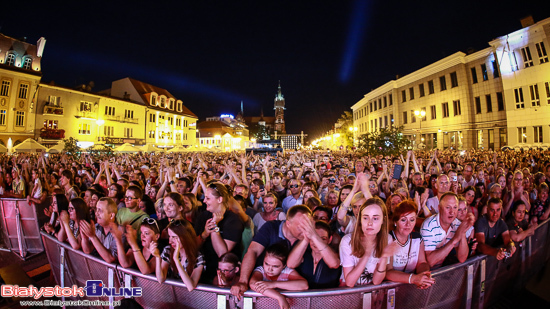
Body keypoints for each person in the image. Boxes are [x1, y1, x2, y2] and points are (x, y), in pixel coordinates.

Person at [231, 205, 312, 300]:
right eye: (301, 228)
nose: (305, 231)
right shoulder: (271, 227)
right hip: (264, 293)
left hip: (296, 293)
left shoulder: (309, 235)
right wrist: (243, 281)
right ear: (288, 223)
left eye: (308, 226)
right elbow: (253, 251)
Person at [195, 182, 244, 283]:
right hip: (201, 271)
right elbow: (193, 247)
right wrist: (204, 234)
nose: (204, 201)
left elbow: (222, 254)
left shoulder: (234, 220)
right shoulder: (203, 216)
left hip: (223, 276)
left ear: (220, 199)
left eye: (208, 198)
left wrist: (214, 225)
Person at [339, 197, 395, 287]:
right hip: (351, 294)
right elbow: (350, 282)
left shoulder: (387, 239)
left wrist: (384, 257)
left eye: (375, 218)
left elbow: (377, 281)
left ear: (383, 220)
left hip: (373, 293)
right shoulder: (347, 241)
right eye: (365, 218)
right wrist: (367, 254)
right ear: (360, 220)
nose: (370, 223)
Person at [386, 201, 434, 289]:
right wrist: (414, 278)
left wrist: (424, 275)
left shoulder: (418, 238)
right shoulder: (388, 239)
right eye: (403, 220)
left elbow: (422, 262)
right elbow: (388, 272)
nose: (408, 224)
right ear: (395, 222)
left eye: (412, 220)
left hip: (411, 288)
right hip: (390, 288)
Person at [420, 192, 474, 268]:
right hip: (427, 273)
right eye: (448, 207)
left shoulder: (457, 224)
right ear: (439, 208)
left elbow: (462, 258)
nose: (452, 212)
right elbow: (430, 262)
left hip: (442, 270)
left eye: (455, 207)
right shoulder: (429, 226)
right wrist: (455, 239)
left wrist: (462, 232)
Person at [249, 243, 308, 309]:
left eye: (275, 266)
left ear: (284, 266)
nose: (269, 269)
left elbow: (304, 285)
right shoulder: (261, 271)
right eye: (267, 264)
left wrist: (274, 284)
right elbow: (253, 284)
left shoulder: (287, 272)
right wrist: (279, 297)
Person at [151, 219, 204, 291]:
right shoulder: (168, 250)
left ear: (185, 237)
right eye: (169, 236)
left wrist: (176, 259)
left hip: (193, 298)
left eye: (174, 237)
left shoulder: (198, 257)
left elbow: (190, 286)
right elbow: (160, 279)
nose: (170, 241)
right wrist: (157, 257)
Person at [287, 220, 341, 289]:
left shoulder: (334, 254)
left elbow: (334, 264)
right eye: (312, 239)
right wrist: (306, 239)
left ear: (329, 240)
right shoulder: (304, 254)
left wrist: (315, 237)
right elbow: (290, 264)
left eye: (322, 239)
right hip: (303, 298)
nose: (316, 243)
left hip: (327, 298)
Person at [80, 197, 125, 263]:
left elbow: (111, 258)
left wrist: (93, 237)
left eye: (100, 211)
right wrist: (84, 238)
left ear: (111, 215)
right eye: (96, 210)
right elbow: (87, 250)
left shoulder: (120, 231)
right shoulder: (96, 227)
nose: (96, 213)